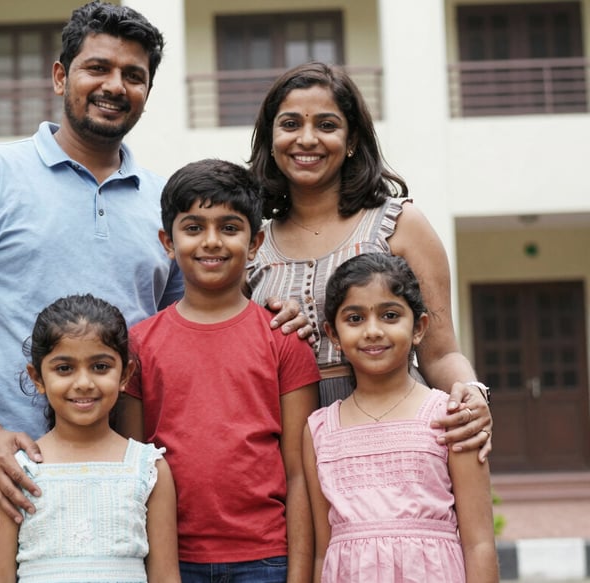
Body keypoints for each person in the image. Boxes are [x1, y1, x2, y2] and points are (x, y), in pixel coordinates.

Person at [0, 4, 304, 581]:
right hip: (6, 478)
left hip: (127, 486)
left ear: (146, 91)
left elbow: (193, 320)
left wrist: (271, 310)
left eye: (133, 75)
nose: (115, 86)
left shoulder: (165, 204)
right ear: (60, 76)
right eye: (97, 67)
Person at [246, 61, 494, 460]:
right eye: (290, 124)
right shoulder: (250, 244)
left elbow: (440, 352)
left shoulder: (400, 226)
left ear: (351, 140)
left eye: (326, 125)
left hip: (395, 433)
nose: (306, 139)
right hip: (283, 445)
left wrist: (472, 395)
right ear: (271, 138)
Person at [117, 159, 321, 583]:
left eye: (229, 227)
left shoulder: (284, 338)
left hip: (266, 559)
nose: (211, 242)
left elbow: (300, 473)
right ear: (168, 242)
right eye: (193, 228)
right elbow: (132, 470)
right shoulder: (138, 345)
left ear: (255, 243)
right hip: (172, 560)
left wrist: (300, 575)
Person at [303, 253, 498, 582]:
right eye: (355, 318)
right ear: (333, 334)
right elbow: (324, 550)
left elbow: (479, 544)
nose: (373, 331)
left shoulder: (452, 418)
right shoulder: (320, 431)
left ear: (418, 327)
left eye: (390, 315)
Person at [0, 293, 180, 583]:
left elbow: (165, 577)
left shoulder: (148, 470)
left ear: (126, 374)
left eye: (100, 367)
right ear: (37, 378)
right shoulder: (15, 472)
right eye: (64, 368)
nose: (84, 383)